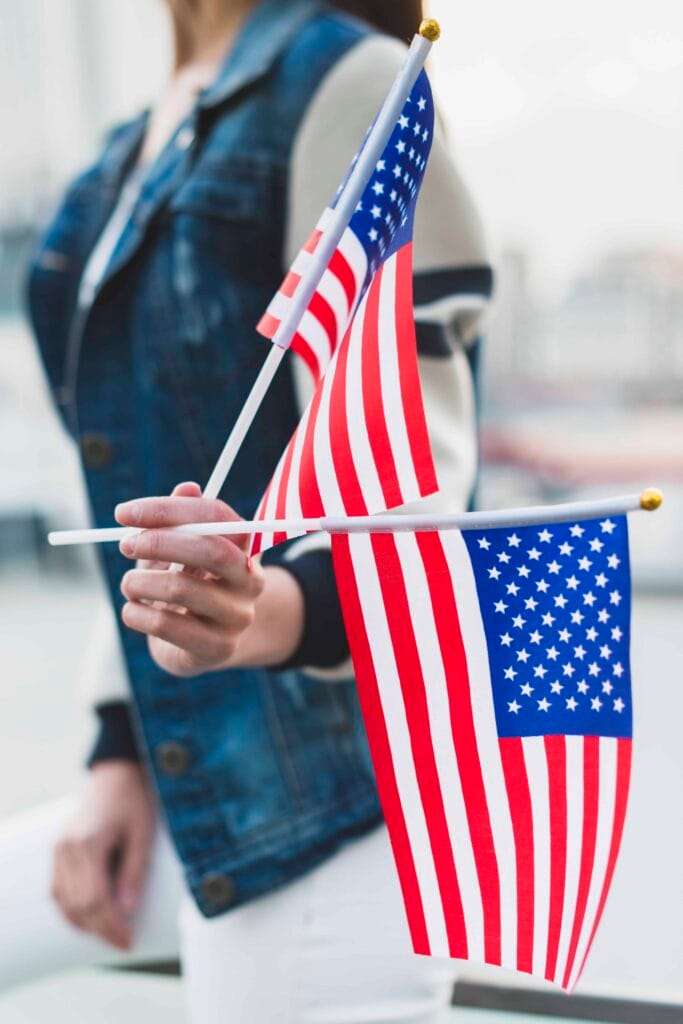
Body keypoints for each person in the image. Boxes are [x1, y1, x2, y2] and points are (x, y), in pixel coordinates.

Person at [6, 1, 493, 1019]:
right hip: (195, 775)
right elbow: (142, 474)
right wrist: (119, 750)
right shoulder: (134, 142)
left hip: (335, 806)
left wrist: (255, 611)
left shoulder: (352, 82)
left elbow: (411, 501)